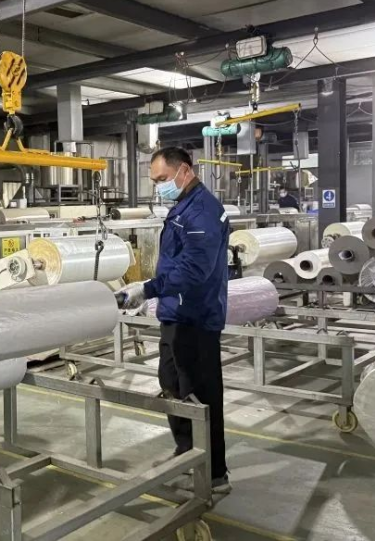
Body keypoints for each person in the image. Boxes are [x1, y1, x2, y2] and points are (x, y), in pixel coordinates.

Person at [115, 147, 230, 491]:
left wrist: (148, 289)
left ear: (185, 171)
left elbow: (194, 270)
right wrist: (153, 292)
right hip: (175, 312)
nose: (158, 187)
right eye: (154, 181)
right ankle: (188, 452)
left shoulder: (202, 212)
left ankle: (213, 474)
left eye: (162, 179)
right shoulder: (183, 206)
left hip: (196, 317)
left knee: (200, 396)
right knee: (172, 384)